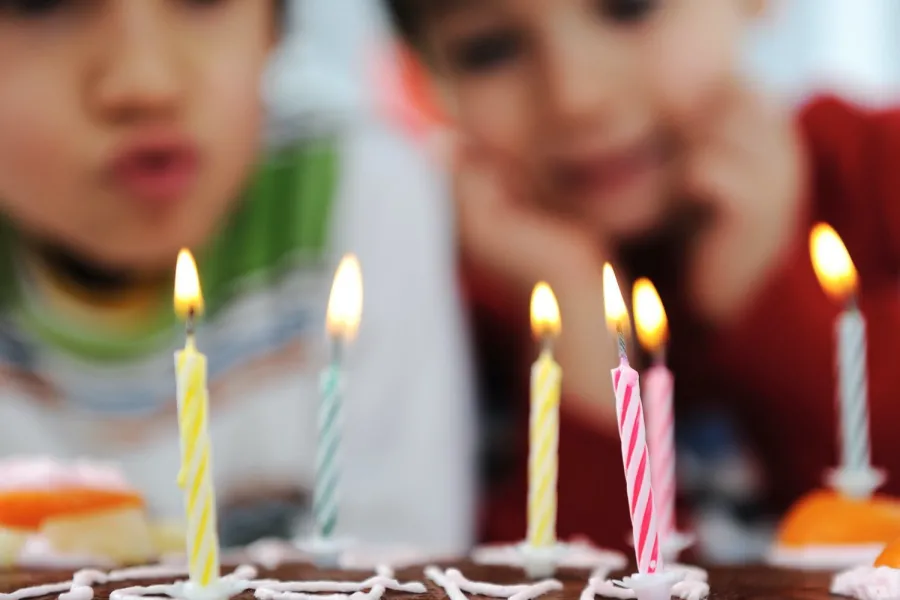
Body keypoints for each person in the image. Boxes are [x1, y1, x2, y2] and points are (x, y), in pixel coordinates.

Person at [382, 0, 900, 550]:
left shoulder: (877, 178)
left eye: (630, 10)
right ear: (426, 77)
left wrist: (762, 292)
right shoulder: (436, 294)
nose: (577, 97)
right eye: (490, 51)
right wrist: (575, 321)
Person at [0, 0, 474, 553]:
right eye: (40, 6)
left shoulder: (353, 195)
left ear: (275, 30)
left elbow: (401, 552)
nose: (145, 81)